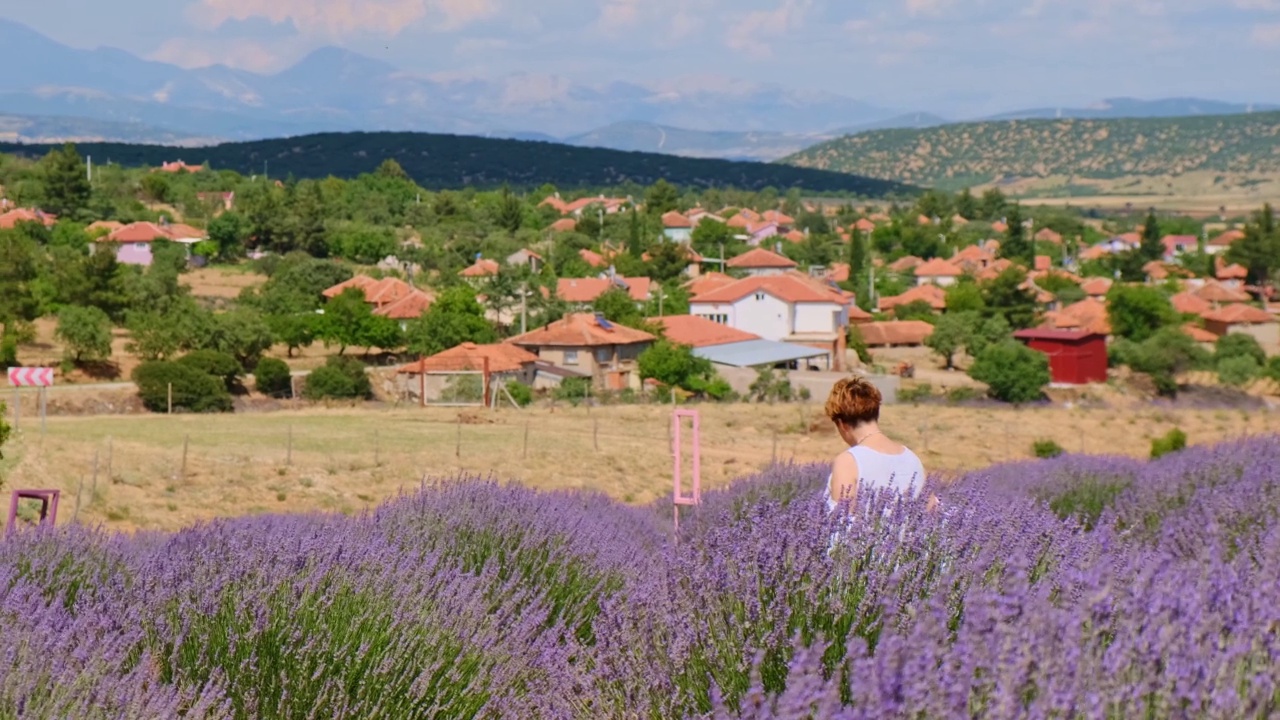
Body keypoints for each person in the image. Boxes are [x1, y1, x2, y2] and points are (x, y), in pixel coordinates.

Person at [822, 376, 938, 515]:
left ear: (842, 424)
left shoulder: (848, 461)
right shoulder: (912, 459)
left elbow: (841, 524)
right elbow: (933, 514)